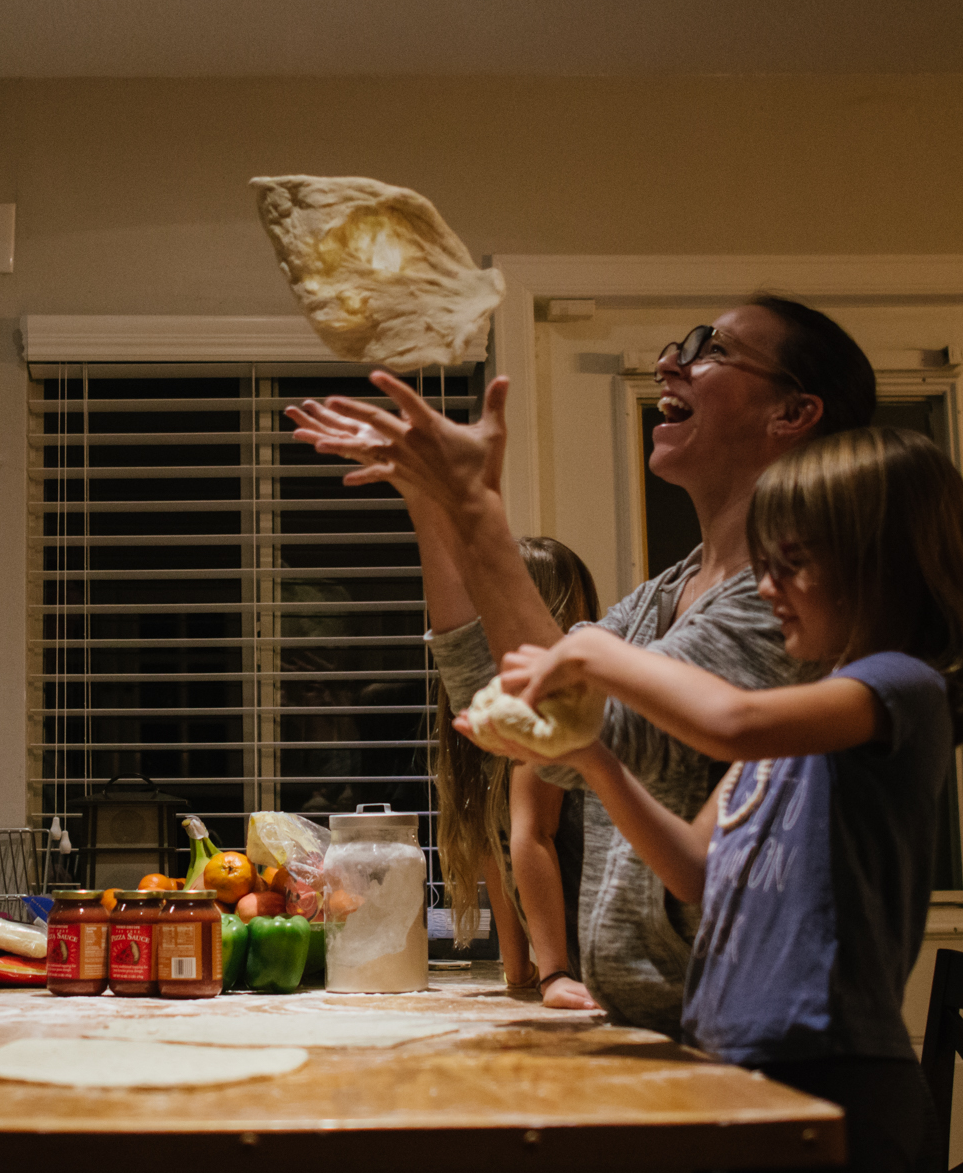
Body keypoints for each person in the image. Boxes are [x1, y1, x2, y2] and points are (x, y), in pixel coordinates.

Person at [503, 426, 963, 1173]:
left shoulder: (897, 686)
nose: (765, 587)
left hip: (836, 1081)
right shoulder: (805, 714)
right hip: (743, 1070)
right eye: (763, 562)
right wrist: (596, 761)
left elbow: (728, 721)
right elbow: (695, 870)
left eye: (793, 562)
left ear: (880, 563)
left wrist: (592, 652)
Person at [289, 295, 877, 1038]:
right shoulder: (666, 592)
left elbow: (609, 732)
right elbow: (506, 705)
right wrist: (431, 503)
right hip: (665, 1029)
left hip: (760, 1044)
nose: (670, 361)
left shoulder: (785, 608)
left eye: (711, 349)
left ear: (792, 413)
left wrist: (477, 506)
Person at [431, 536, 600, 1008]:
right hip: (583, 967)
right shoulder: (518, 715)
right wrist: (522, 972)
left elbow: (532, 836)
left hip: (593, 965)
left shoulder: (555, 710)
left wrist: (549, 976)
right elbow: (498, 840)